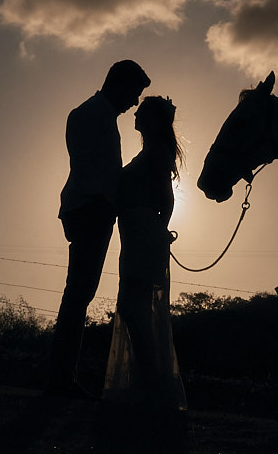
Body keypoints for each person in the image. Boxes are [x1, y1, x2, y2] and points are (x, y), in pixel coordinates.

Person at [47, 60, 150, 399]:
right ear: (118, 84)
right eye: (134, 93)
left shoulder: (97, 116)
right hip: (90, 208)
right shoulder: (91, 115)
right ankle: (59, 376)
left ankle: (61, 374)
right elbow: (96, 170)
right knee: (79, 292)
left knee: (79, 292)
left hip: (91, 208)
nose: (135, 102)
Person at [102, 95, 188, 412]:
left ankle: (151, 384)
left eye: (142, 113)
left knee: (131, 304)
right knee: (133, 306)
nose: (135, 115)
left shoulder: (156, 153)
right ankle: (147, 383)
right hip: (135, 232)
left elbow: (166, 200)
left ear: (153, 120)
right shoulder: (150, 152)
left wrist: (155, 231)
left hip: (142, 233)